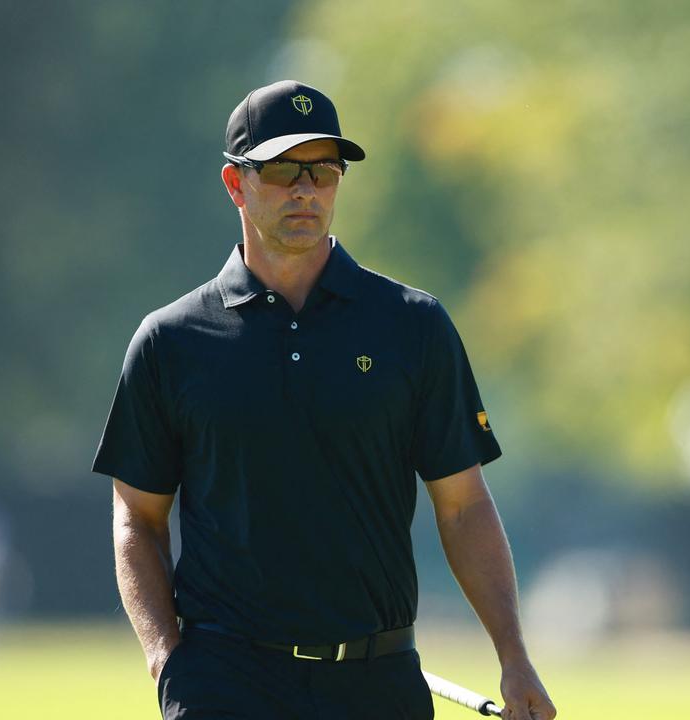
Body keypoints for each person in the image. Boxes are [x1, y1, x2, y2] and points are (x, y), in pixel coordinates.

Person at [92, 79, 556, 720]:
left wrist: (513, 655)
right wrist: (166, 658)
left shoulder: (412, 325)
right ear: (236, 184)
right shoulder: (171, 341)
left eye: (324, 171)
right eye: (284, 170)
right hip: (225, 685)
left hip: (377, 681)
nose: (307, 190)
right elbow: (137, 519)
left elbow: (462, 507)